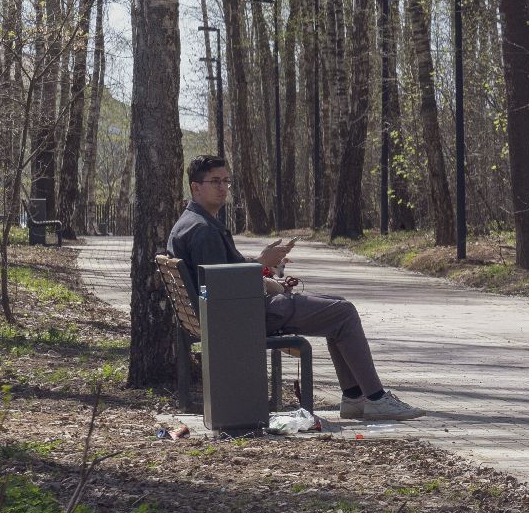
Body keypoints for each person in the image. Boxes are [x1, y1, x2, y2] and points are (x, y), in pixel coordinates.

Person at [167, 155, 426, 421]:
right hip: (242, 318)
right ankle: (374, 398)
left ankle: (355, 397)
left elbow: (222, 274)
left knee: (336, 305)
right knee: (343, 312)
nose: (223, 188)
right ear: (196, 187)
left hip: (231, 314)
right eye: (215, 182)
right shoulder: (203, 230)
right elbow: (224, 286)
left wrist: (266, 273)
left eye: (226, 181)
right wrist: (261, 267)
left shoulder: (194, 222)